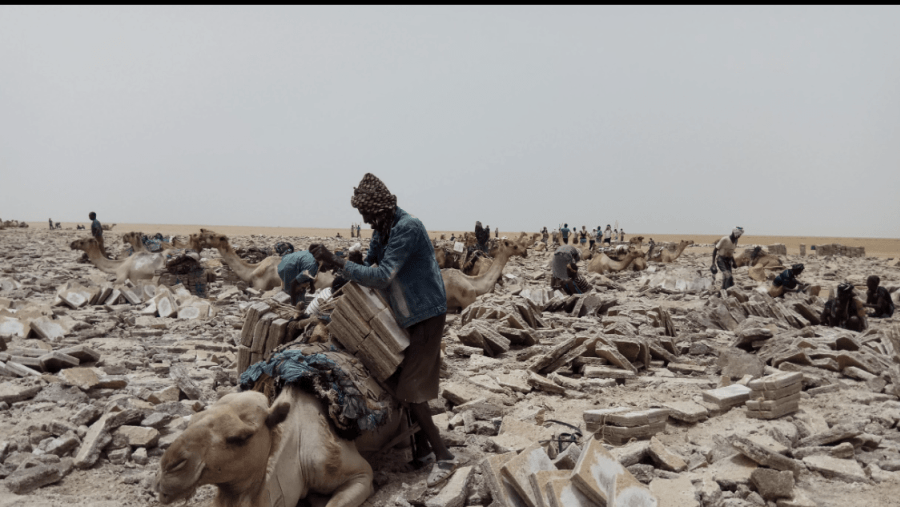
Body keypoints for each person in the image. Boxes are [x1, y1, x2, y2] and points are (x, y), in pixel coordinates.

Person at [310, 173, 456, 488]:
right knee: (401, 377)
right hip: (403, 314)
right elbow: (370, 262)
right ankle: (422, 449)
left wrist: (337, 262)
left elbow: (382, 275)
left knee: (411, 388)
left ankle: (444, 456)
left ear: (377, 208)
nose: (362, 219)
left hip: (426, 312)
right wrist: (343, 272)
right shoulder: (383, 229)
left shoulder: (407, 228)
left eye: (365, 213)